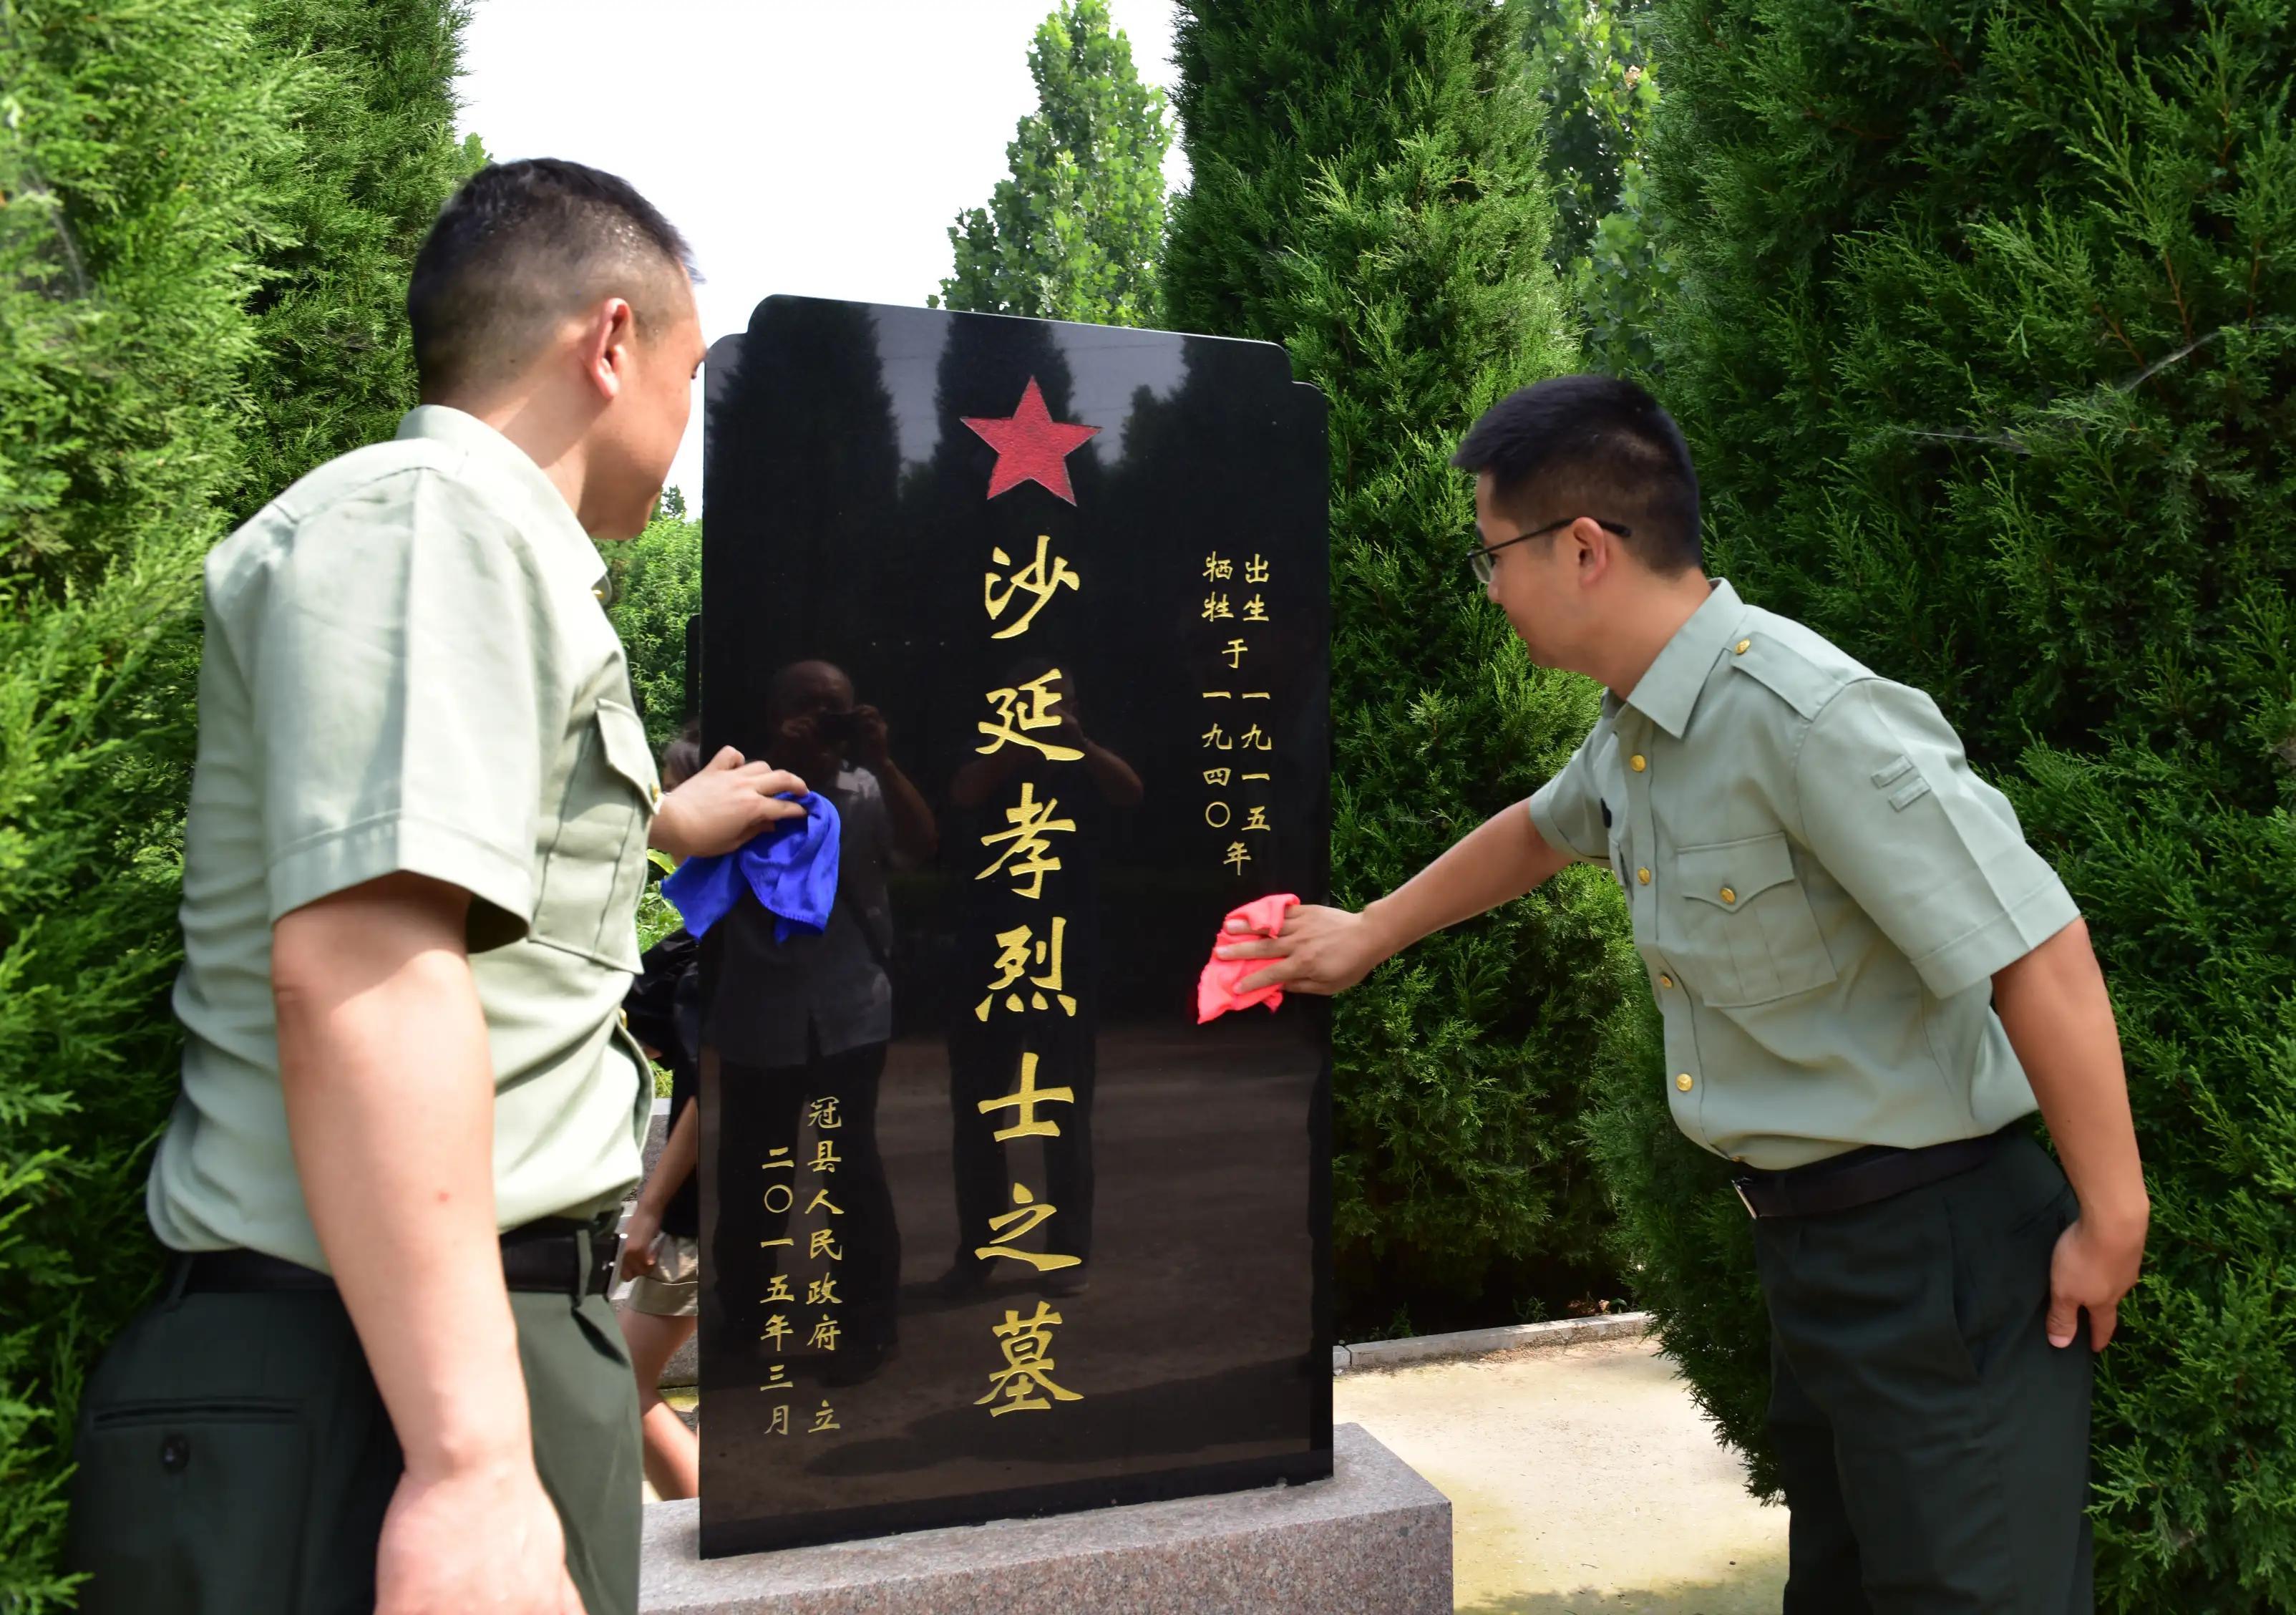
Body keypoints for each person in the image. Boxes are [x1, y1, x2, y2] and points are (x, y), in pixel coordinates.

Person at [1217, 375, 2149, 1613]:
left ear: (1584, 548)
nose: (1488, 589)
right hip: (1817, 1259)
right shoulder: (1641, 731)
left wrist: (2112, 1214)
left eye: (1491, 554)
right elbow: (1542, 829)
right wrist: (1367, 935)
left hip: (1942, 1257)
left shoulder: (1803, 716)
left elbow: (2034, 946)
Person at [64, 160, 807, 1615]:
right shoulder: (434, 524)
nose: (689, 427)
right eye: (687, 371)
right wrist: (471, 1460)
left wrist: (655, 825)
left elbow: (476, 894)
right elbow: (360, 969)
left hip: (428, 1351)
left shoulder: (478, 552)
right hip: (385, 1375)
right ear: (608, 343)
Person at [704, 660, 937, 1386]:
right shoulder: (739, 788)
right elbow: (700, 858)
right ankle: (744, 1317)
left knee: (848, 1171)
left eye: (837, 707)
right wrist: (782, 763)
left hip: (848, 1011)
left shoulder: (866, 791)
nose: (823, 718)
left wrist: (883, 758)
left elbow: (922, 846)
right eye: (807, 707)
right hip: (759, 1014)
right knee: (751, 1172)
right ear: (775, 714)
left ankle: (867, 1325)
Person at [616, 727, 706, 1500]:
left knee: (619, 1382)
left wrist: (649, 1210)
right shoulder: (718, 931)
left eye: (676, 790)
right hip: (777, 1195)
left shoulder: (722, 943)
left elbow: (719, 1091)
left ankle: (715, 1527)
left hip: (702, 1210)